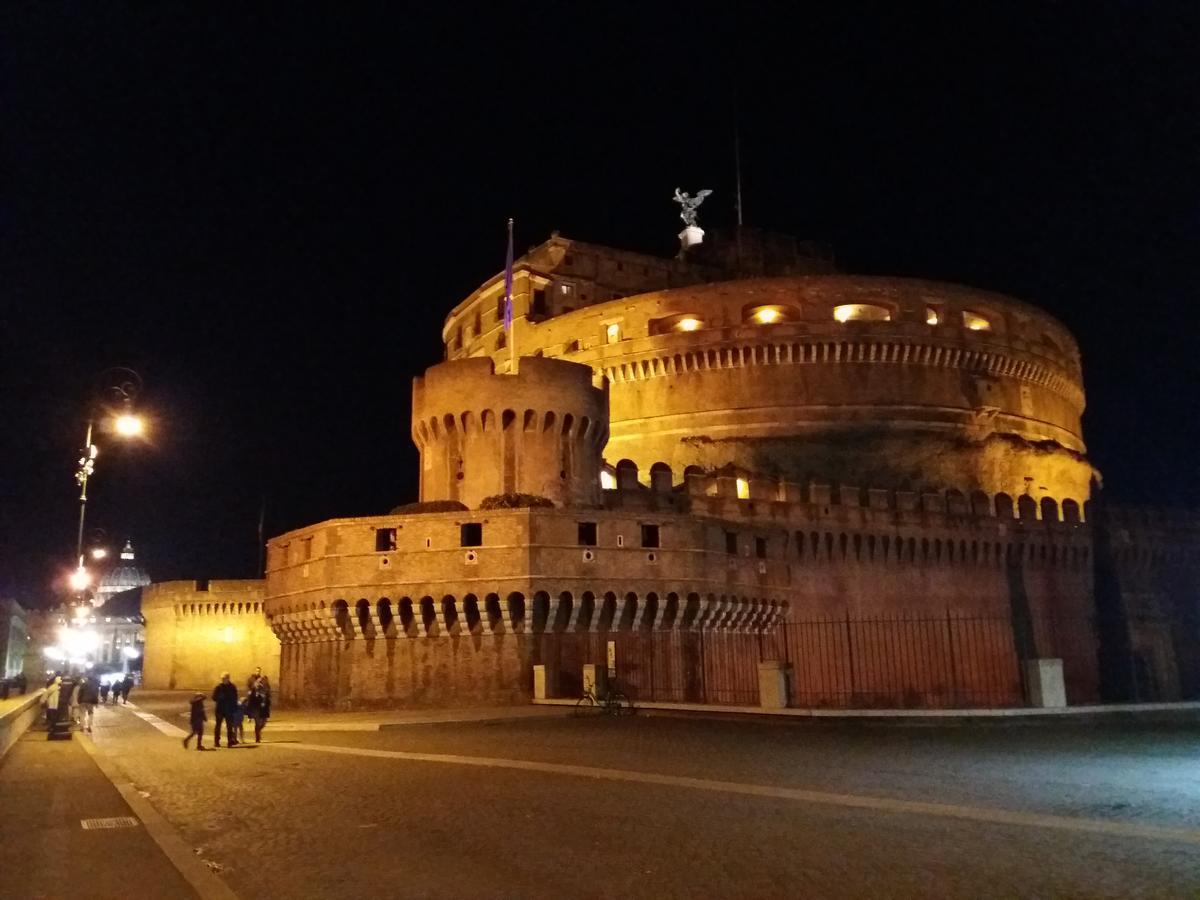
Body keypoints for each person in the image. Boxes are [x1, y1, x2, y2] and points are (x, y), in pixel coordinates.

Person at [211, 673, 239, 748]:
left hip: (229, 709)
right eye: (222, 678)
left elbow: (235, 698)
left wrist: (234, 708)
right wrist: (220, 697)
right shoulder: (218, 687)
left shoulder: (232, 687)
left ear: (228, 678)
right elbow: (213, 697)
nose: (223, 680)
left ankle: (229, 741)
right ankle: (216, 741)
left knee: (229, 726)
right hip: (220, 709)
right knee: (218, 726)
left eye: (224, 678)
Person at [244, 677, 271, 743]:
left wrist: (266, 702)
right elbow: (250, 702)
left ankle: (258, 731)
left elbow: (268, 699)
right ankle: (257, 737)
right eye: (258, 682)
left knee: (263, 723)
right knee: (258, 723)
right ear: (256, 683)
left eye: (261, 682)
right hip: (256, 709)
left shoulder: (264, 690)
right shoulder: (252, 691)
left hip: (263, 709)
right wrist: (249, 715)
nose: (259, 684)